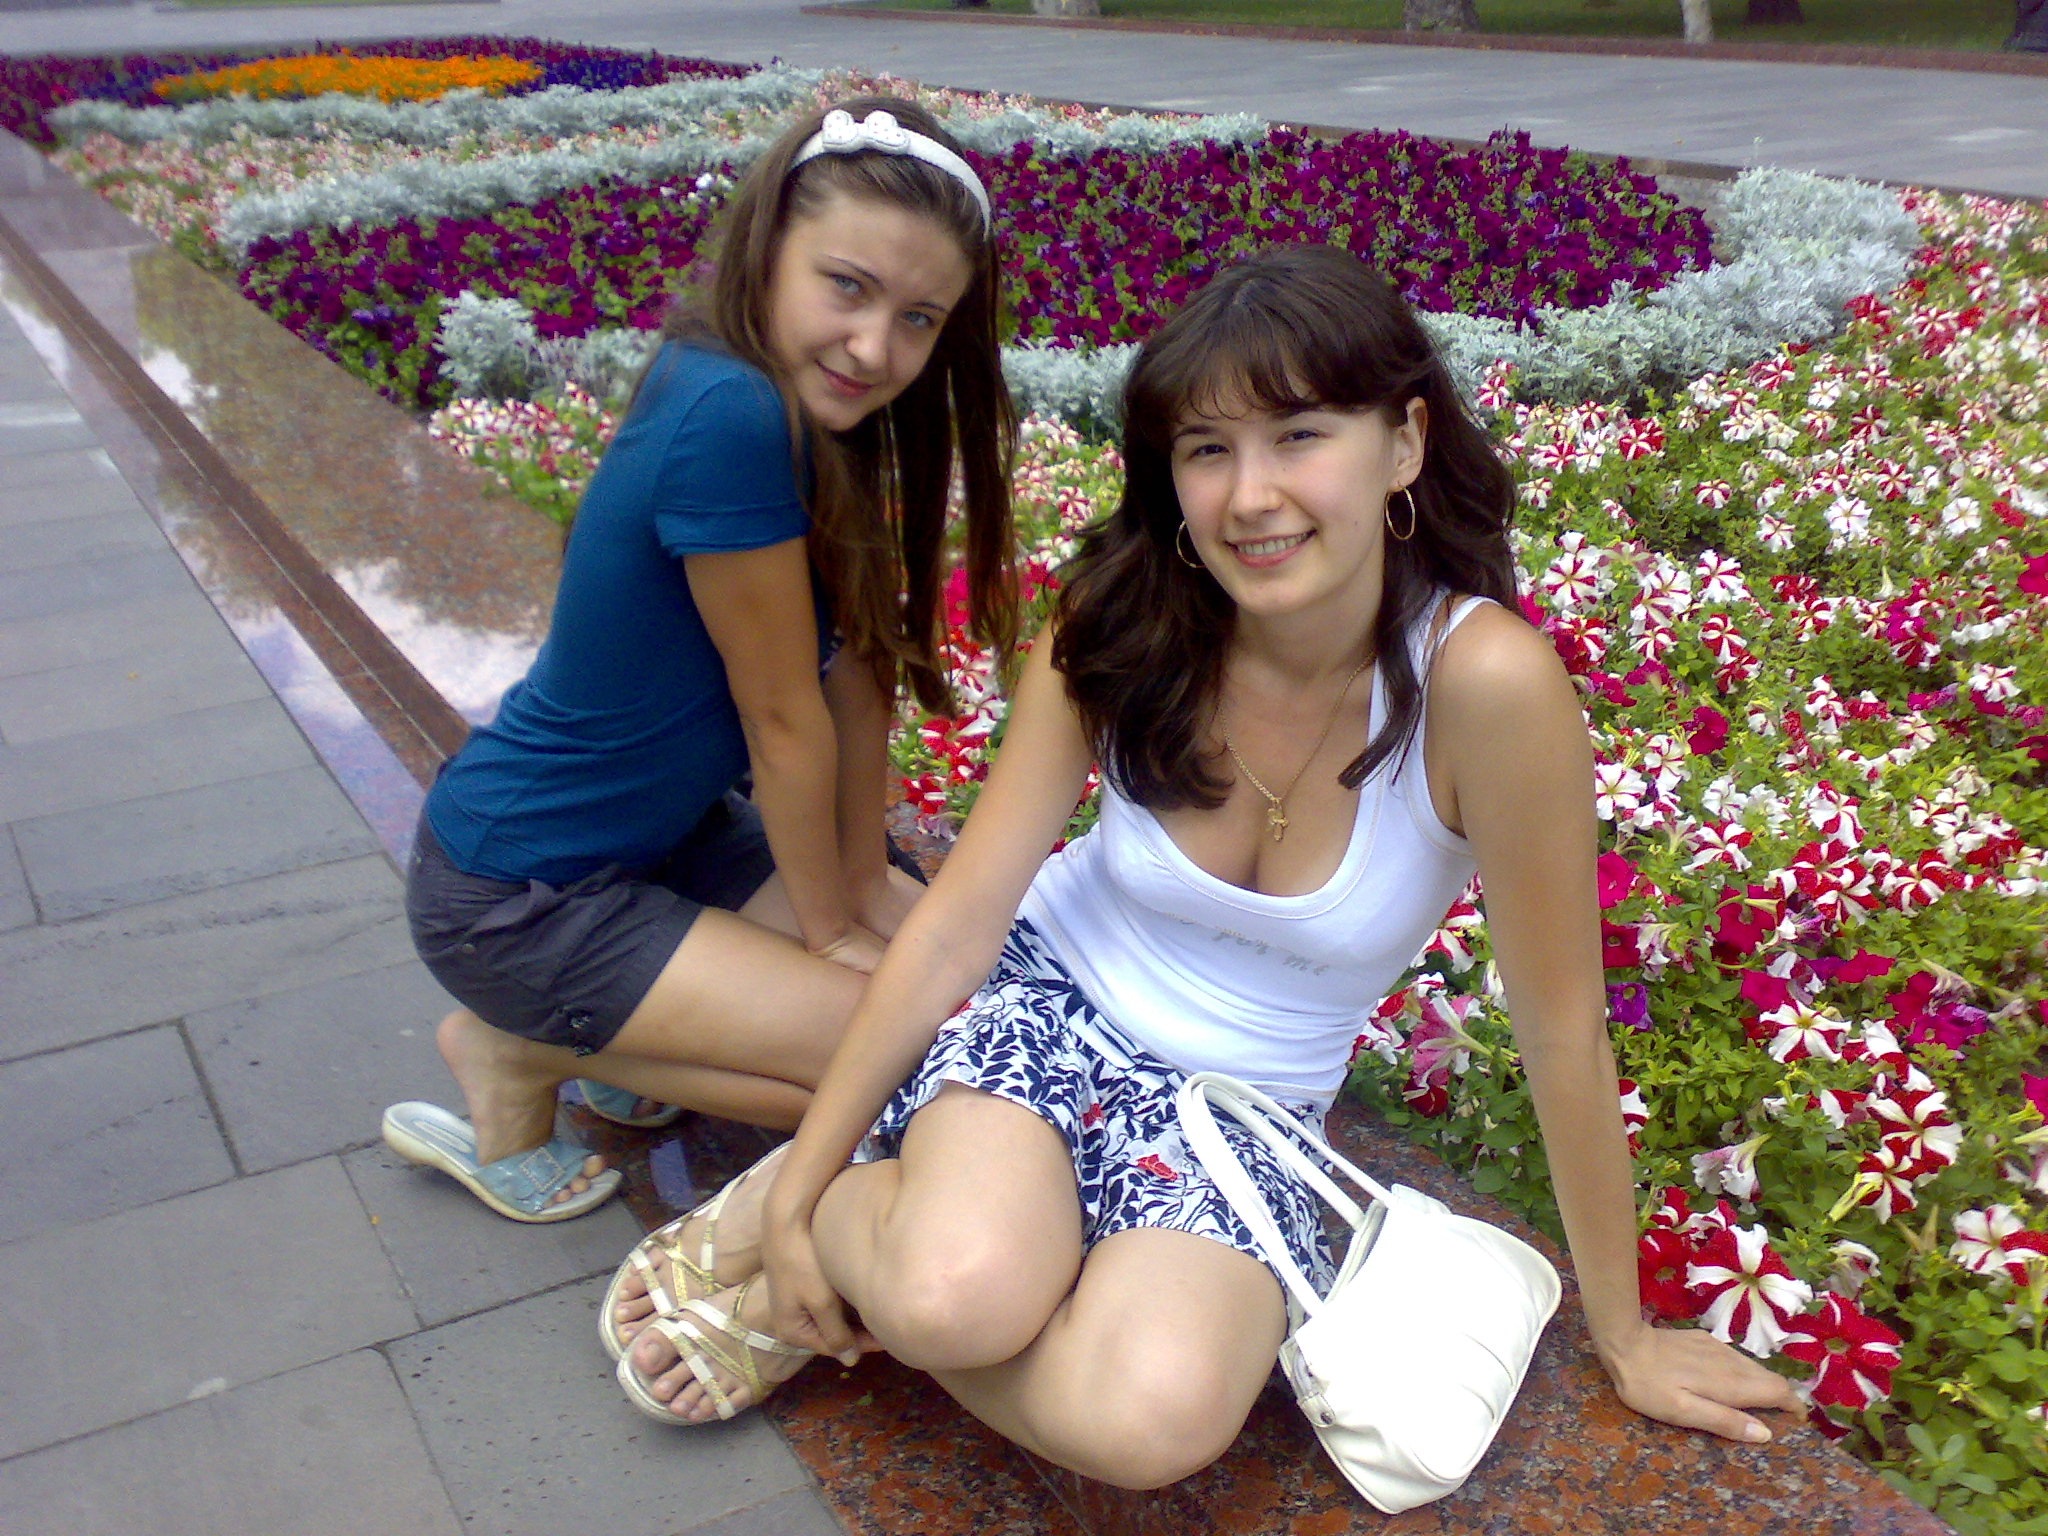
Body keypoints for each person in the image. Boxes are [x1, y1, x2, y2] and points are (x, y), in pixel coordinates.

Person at [607, 244, 1802, 1484]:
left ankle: (909, 1241)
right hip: (1046, 1011)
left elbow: (1561, 1027)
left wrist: (1623, 1335)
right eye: (1205, 448)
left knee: (1149, 1430)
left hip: (1243, 1107)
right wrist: (796, 1193)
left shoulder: (1483, 685)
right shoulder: (1120, 621)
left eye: (1298, 435)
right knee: (953, 1298)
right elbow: (959, 920)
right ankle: (824, 1225)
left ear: (1401, 443)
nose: (1249, 496)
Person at [380, 97, 1018, 1223]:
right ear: (768, 249)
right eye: (847, 286)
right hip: (518, 895)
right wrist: (832, 936)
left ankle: (625, 1035)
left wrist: (866, 885)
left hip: (659, 845)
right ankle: (521, 1049)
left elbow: (852, 675)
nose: (875, 347)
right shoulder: (728, 411)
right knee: (891, 1062)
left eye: (918, 318)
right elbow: (780, 718)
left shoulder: (804, 409)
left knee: (958, 993)